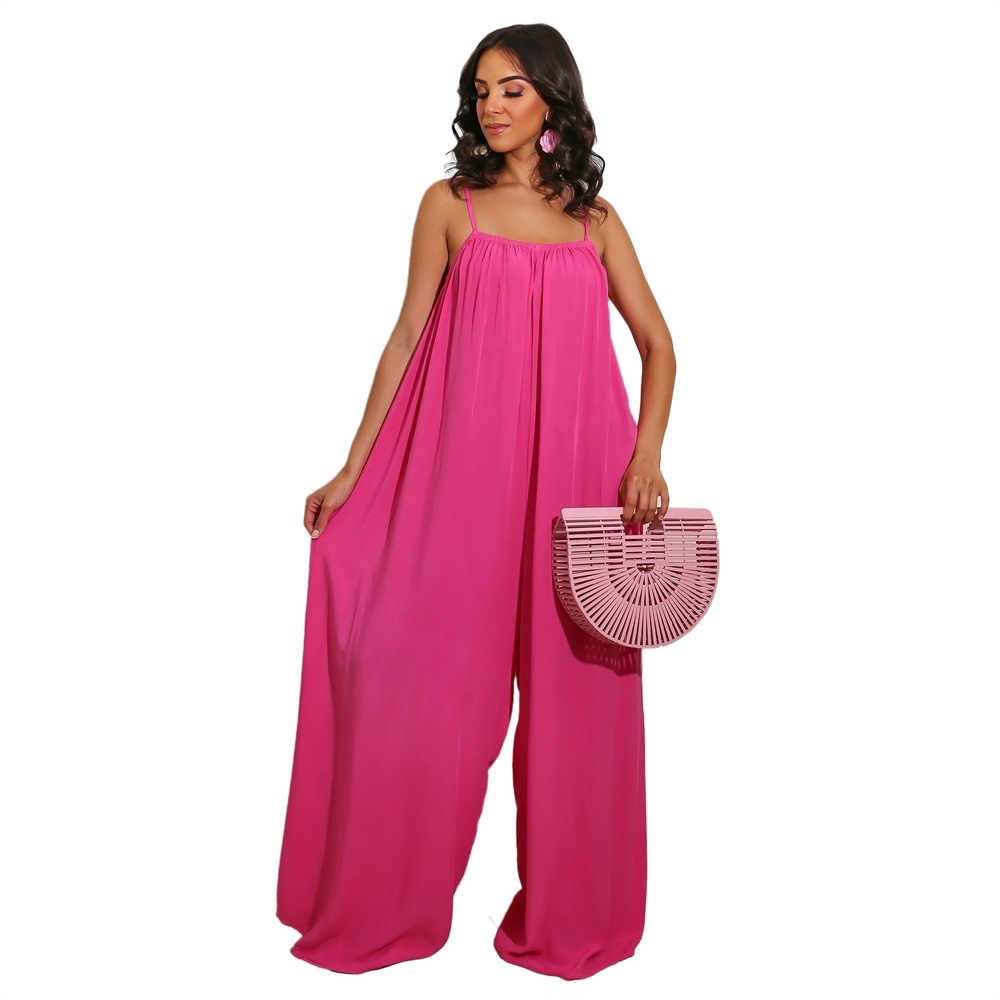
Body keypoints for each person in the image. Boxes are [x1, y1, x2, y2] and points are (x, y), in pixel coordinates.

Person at [276, 22, 676, 982]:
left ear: (553, 102)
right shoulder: (448, 206)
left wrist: (647, 456)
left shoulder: (597, 222)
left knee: (581, 709)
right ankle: (382, 909)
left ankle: (573, 923)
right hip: (463, 482)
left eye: (512, 89)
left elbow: (660, 345)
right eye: (481, 91)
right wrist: (351, 470)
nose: (492, 106)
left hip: (581, 489)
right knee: (414, 688)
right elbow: (405, 338)